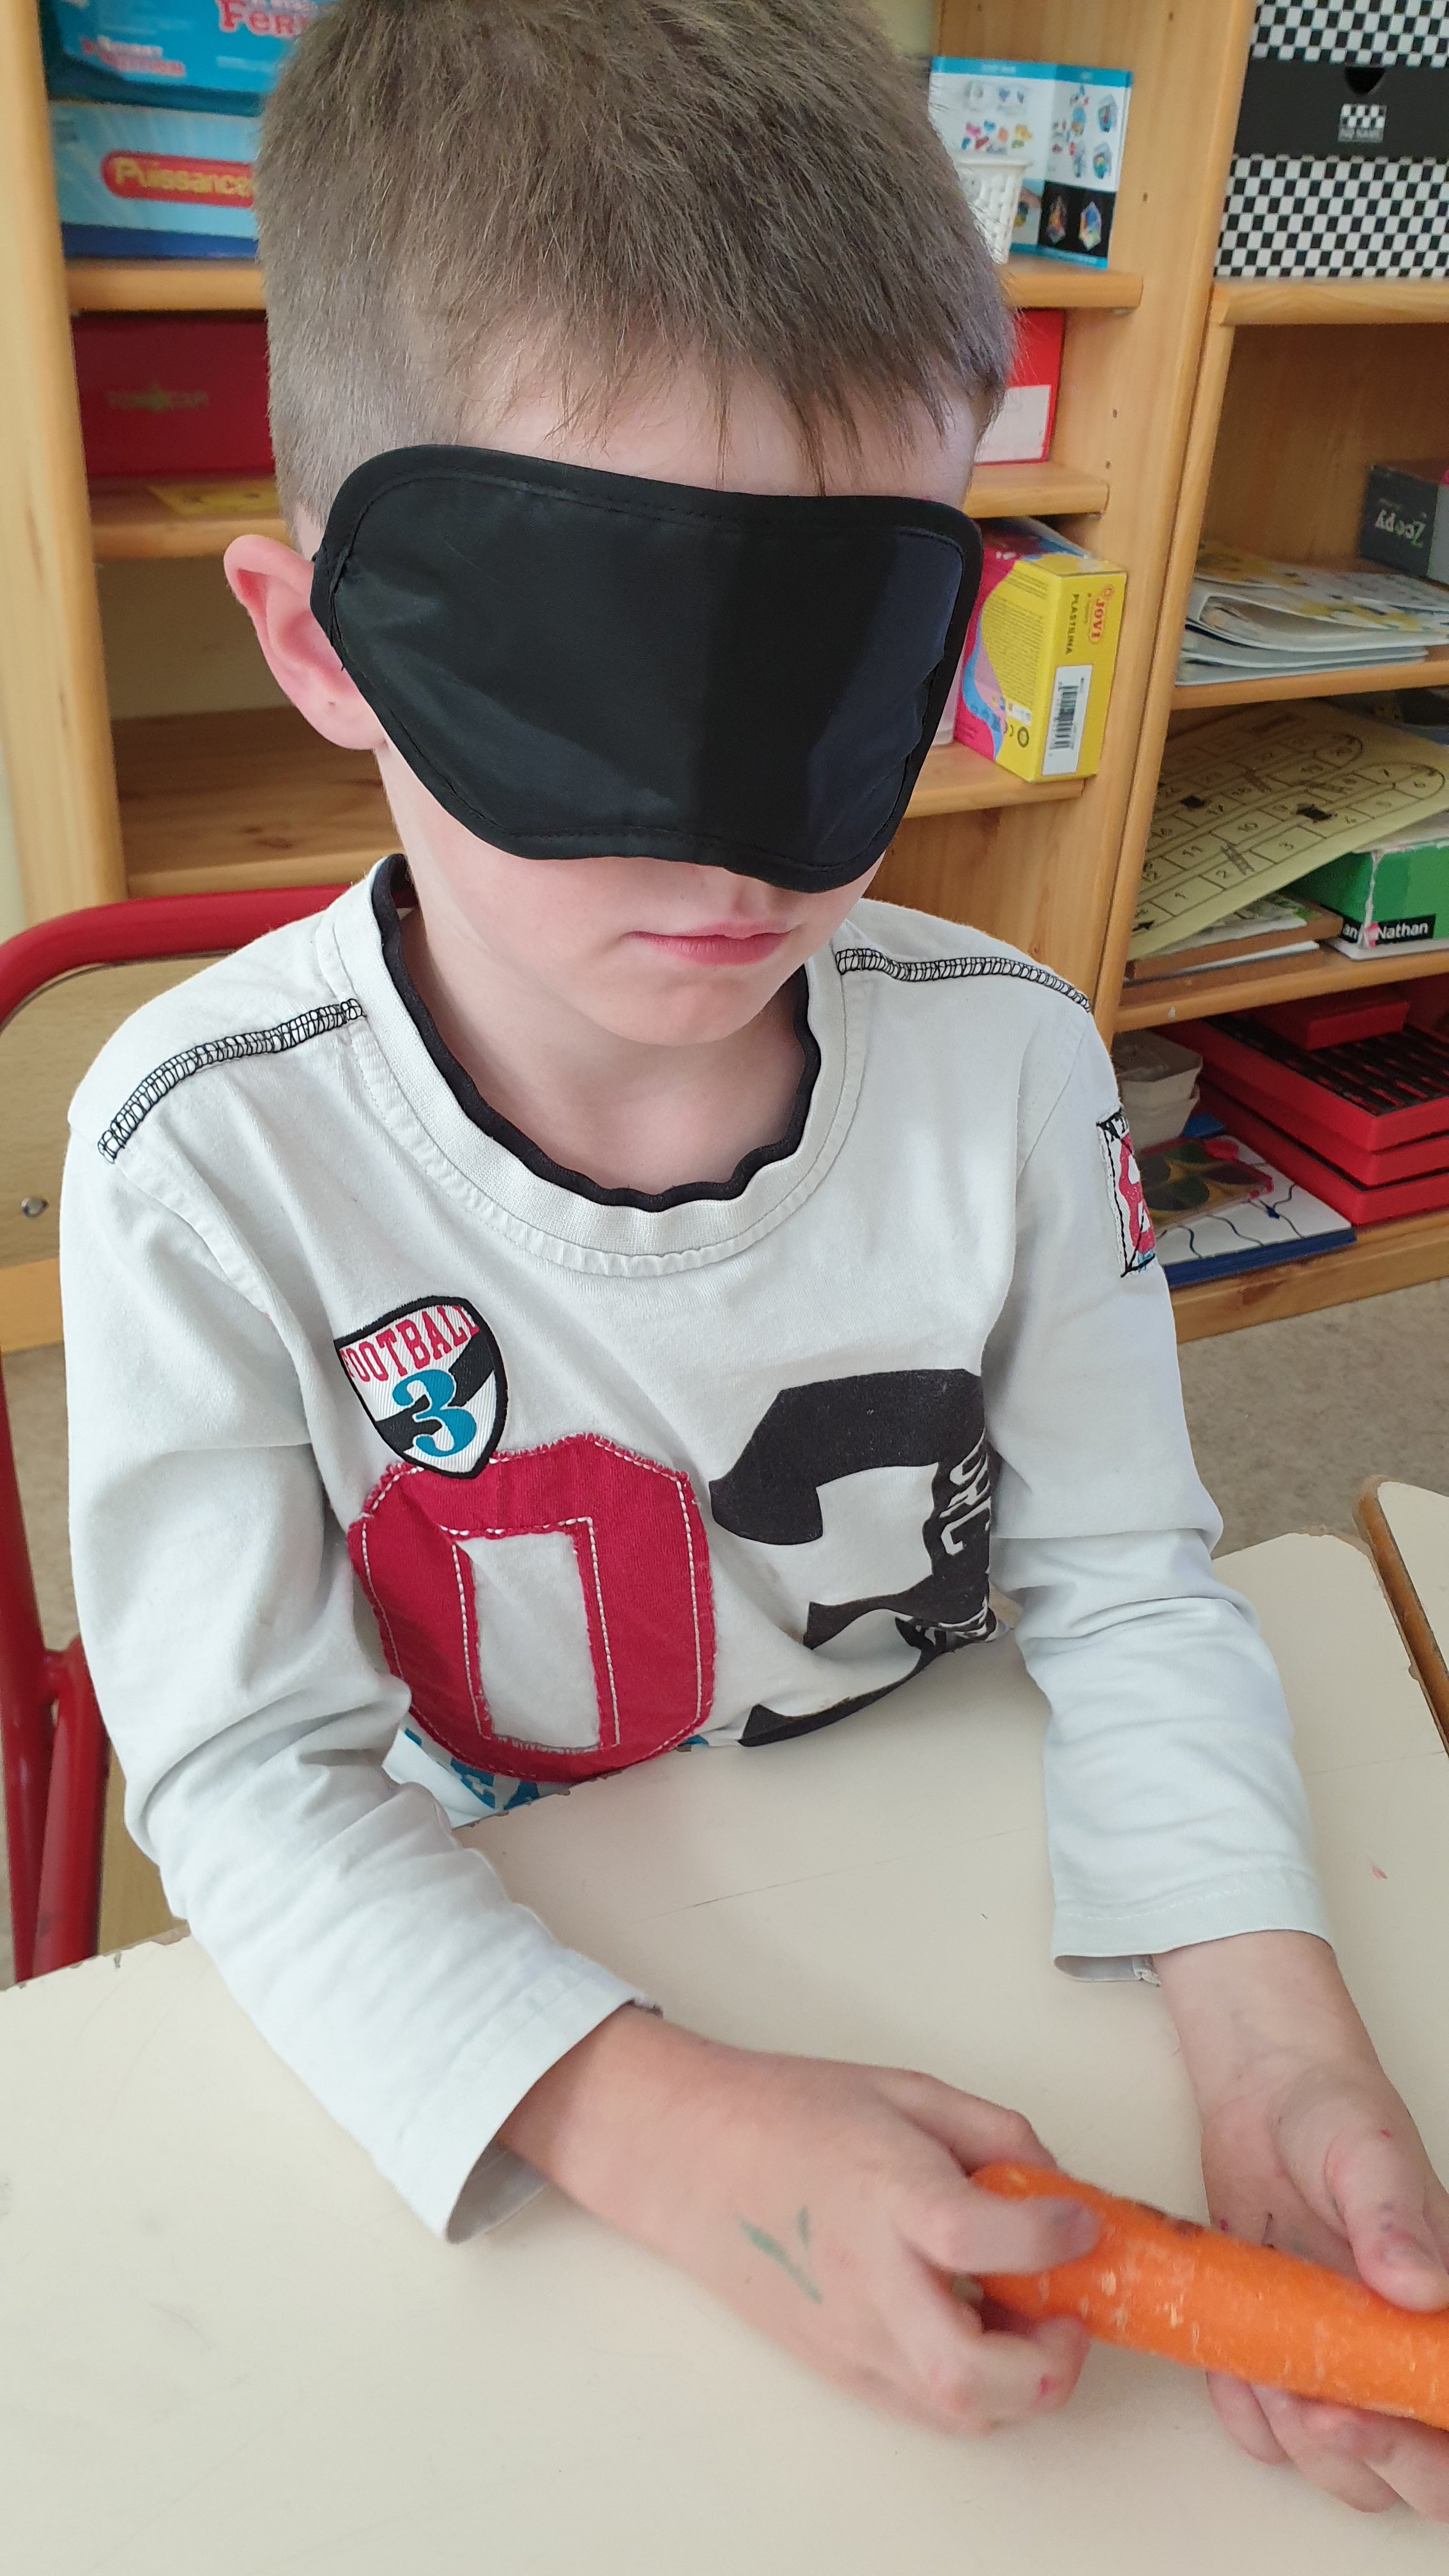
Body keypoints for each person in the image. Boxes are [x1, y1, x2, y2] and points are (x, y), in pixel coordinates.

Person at [62, 0, 1448, 2518]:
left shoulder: (1007, 1070)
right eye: (590, 673)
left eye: (827, 668)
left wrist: (1271, 2036)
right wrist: (650, 2120)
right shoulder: (201, 1157)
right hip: (496, 1975)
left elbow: (1126, 1578)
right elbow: (252, 1783)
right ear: (324, 644)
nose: (728, 846)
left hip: (947, 1879)